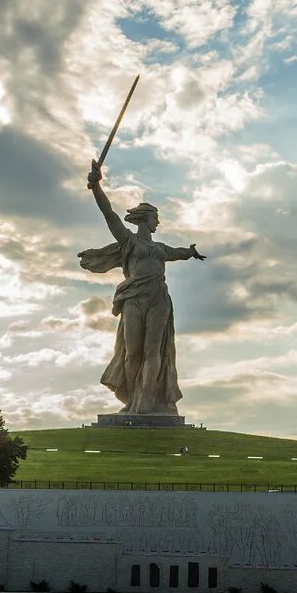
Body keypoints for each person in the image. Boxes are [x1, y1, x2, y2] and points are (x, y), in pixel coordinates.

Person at [78, 160, 205, 414]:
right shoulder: (129, 242)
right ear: (146, 219)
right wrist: (96, 187)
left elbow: (178, 252)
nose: (158, 222)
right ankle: (132, 400)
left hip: (158, 298)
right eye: (156, 218)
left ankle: (146, 402)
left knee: (153, 350)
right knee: (131, 353)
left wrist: (190, 252)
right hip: (134, 299)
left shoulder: (159, 249)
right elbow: (109, 215)